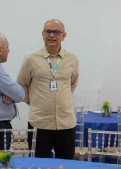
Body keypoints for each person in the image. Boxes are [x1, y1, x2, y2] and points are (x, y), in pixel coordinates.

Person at [17, 19, 79, 159]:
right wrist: (36, 103)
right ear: (42, 34)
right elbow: (22, 85)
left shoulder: (72, 59)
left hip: (66, 123)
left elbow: (72, 84)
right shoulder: (31, 59)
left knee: (66, 166)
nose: (52, 35)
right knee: (39, 168)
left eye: (56, 32)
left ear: (64, 35)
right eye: (48, 31)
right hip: (39, 123)